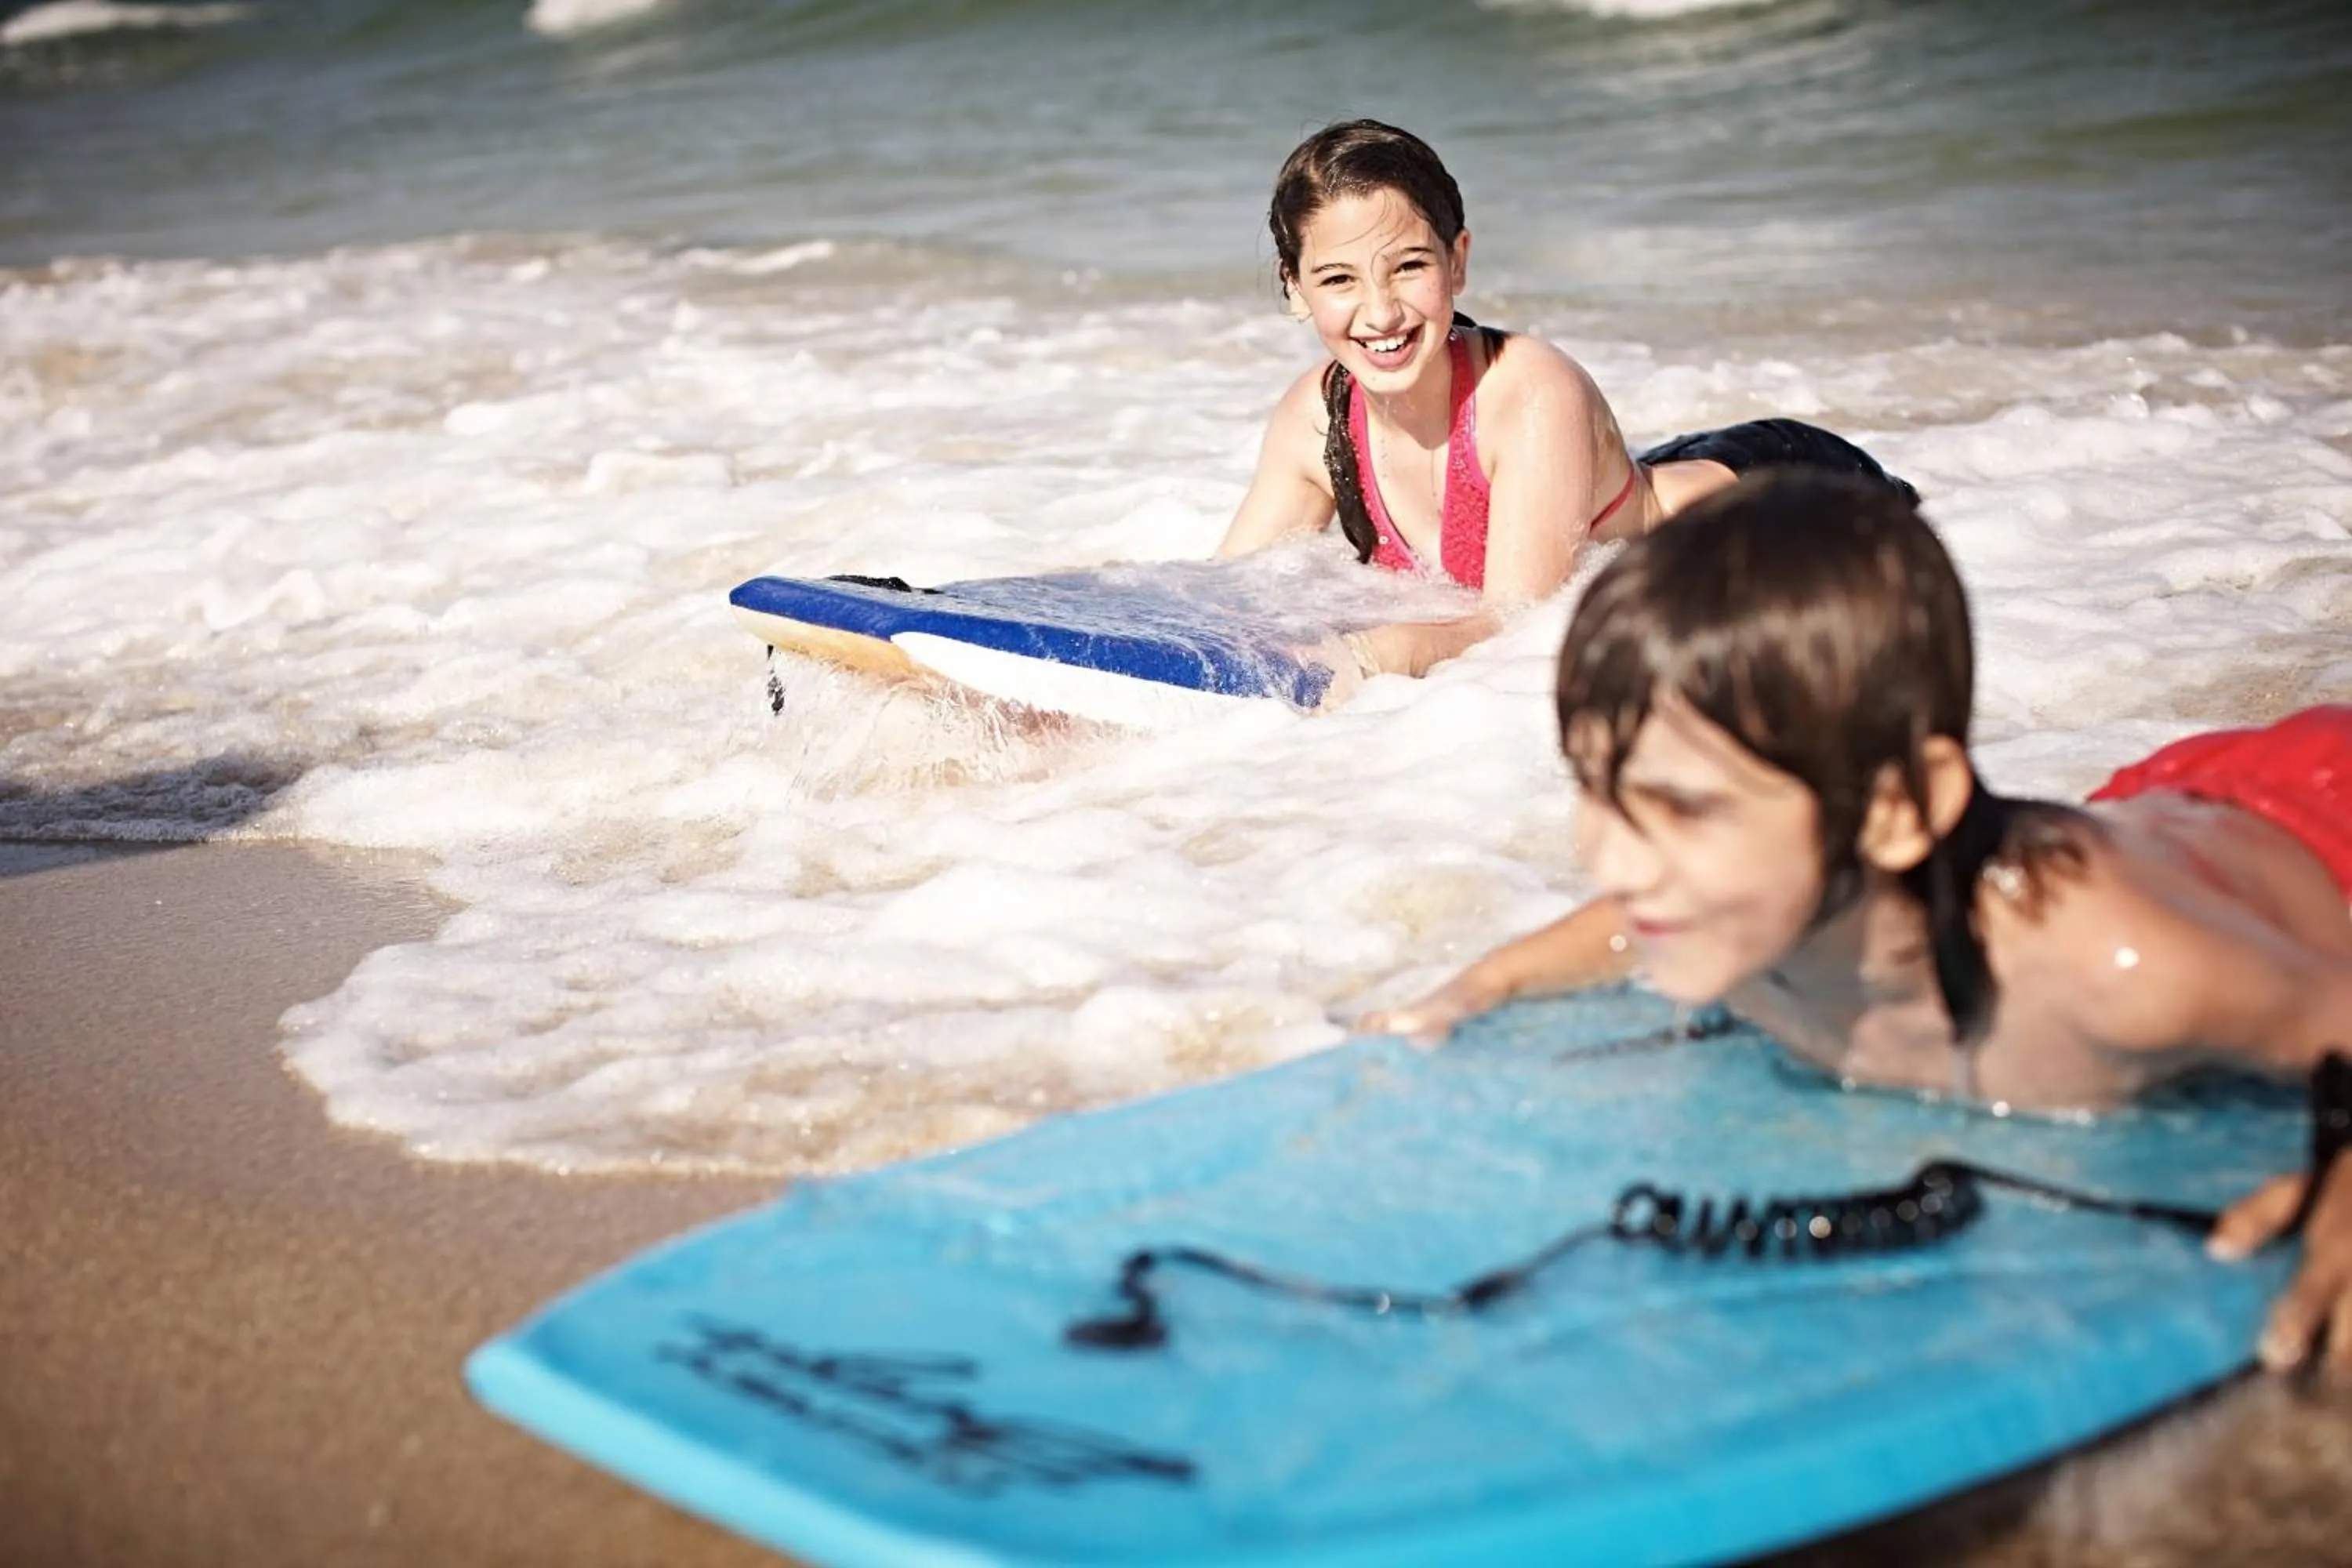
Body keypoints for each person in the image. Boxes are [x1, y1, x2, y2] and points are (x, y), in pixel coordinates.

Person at [1368, 470, 2352, 1373]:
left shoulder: (2121, 971)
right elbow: (1628, 922)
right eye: (1598, 790)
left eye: (1686, 811)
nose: (1614, 860)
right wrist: (1484, 983)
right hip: (2159, 813)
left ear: (1897, 810)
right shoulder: (1741, 917)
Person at [1215, 119, 1914, 696]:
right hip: (1629, 488)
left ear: (1458, 261)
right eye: (1338, 278)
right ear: (1296, 287)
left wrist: (1371, 655)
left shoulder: (1528, 393)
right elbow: (1225, 596)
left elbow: (1519, 626)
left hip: (1789, 499)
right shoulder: (1316, 418)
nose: (1381, 311)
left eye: (1410, 266)